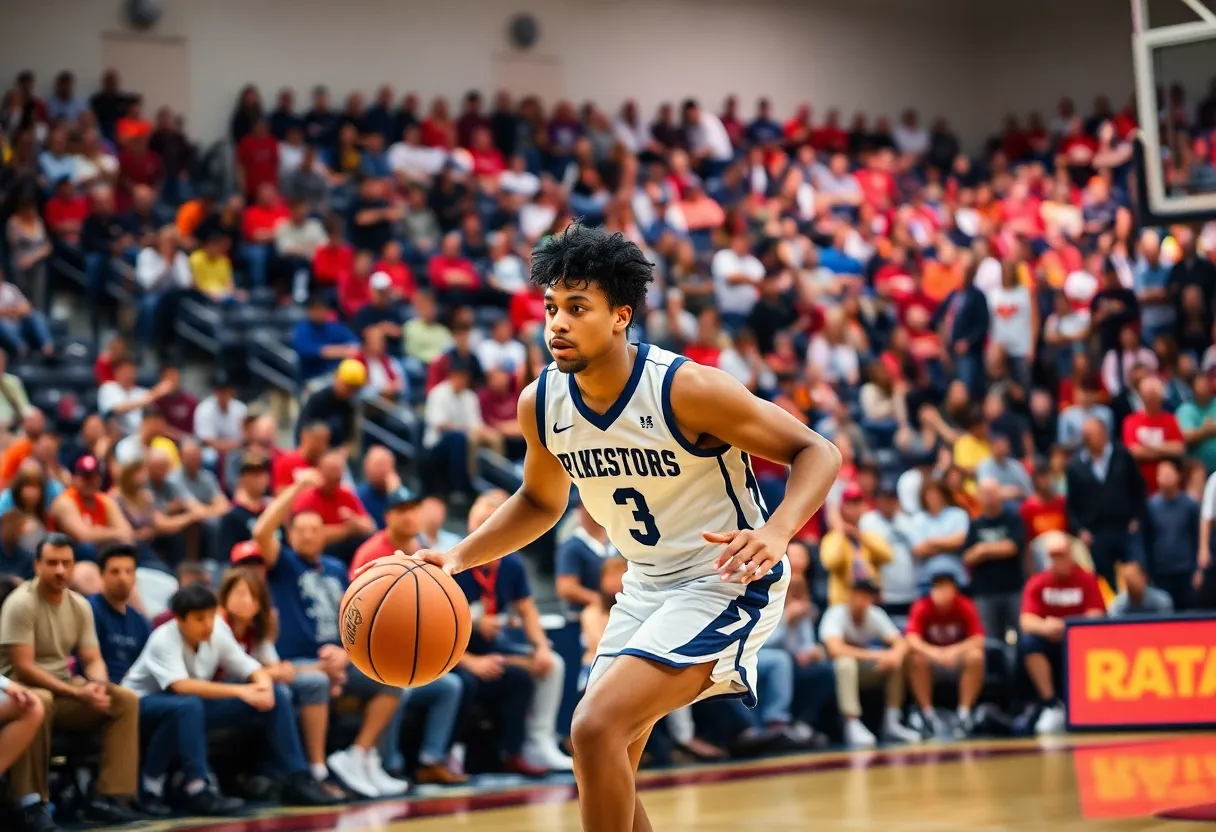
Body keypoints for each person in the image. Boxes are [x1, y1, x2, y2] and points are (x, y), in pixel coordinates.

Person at [402, 222, 841, 831]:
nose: (556, 322)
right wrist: (456, 557)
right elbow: (538, 500)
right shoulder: (542, 402)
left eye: (577, 308)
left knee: (593, 728)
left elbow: (817, 451)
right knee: (603, 754)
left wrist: (778, 530)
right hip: (645, 586)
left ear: (620, 316)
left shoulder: (686, 389)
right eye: (551, 307)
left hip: (727, 579)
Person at [121, 583, 336, 808]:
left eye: (210, 616)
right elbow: (181, 686)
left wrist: (263, 688)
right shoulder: (163, 638)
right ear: (180, 620)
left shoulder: (218, 629)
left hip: (186, 707)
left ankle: (297, 778)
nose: (207, 625)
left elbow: (249, 666)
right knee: (187, 706)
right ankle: (197, 788)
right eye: (199, 619)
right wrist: (243, 691)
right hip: (139, 704)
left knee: (278, 693)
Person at [0, 533, 144, 830]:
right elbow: (24, 668)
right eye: (52, 563)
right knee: (40, 699)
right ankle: (29, 802)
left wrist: (98, 686)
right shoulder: (20, 603)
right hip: (21, 687)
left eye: (67, 563)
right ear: (37, 565)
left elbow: (92, 658)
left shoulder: (79, 604)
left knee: (123, 700)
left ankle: (109, 797)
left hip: (64, 688)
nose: (60, 570)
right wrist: (78, 694)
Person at [1019, 531, 1106, 735]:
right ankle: (1051, 705)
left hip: (1079, 640)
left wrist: (1068, 627)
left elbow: (1097, 615)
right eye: (1053, 556)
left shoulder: (1086, 579)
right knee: (1029, 643)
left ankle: (1088, 705)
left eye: (1062, 555)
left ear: (1071, 554)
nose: (1058, 560)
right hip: (1049, 639)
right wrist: (1045, 627)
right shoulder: (1038, 583)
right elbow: (1026, 621)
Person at [818, 578, 920, 747]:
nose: (863, 599)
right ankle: (851, 723)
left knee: (898, 661)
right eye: (859, 594)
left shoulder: (875, 614)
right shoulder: (835, 613)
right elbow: (835, 650)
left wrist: (895, 655)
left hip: (864, 669)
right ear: (850, 595)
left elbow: (901, 642)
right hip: (834, 672)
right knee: (845, 662)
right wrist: (875, 655)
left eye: (867, 595)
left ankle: (892, 722)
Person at [904, 571, 986, 739]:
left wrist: (954, 651)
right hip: (932, 661)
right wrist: (935, 653)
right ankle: (927, 715)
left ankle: (964, 714)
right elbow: (911, 639)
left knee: (976, 656)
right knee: (915, 658)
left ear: (954, 589)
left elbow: (979, 639)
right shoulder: (921, 606)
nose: (940, 591)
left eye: (945, 587)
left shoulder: (965, 605)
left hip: (956, 660)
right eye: (937, 587)